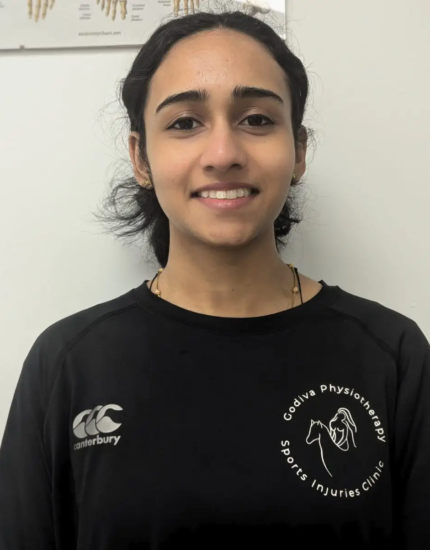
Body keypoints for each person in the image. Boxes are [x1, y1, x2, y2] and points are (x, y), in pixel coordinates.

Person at [0, 6, 429, 550]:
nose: (224, 154)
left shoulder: (391, 355)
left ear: (297, 150)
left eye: (256, 119)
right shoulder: (67, 363)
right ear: (141, 157)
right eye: (184, 123)